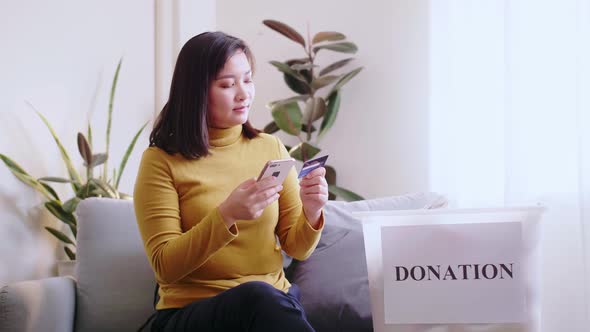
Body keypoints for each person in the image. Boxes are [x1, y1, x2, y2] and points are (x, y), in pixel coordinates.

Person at [133, 31, 328, 332]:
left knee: (268, 298)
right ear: (196, 92)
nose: (244, 93)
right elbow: (165, 267)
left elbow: (297, 247)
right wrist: (227, 215)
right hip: (192, 315)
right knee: (259, 296)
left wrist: (312, 211)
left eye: (247, 80)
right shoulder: (161, 161)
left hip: (270, 308)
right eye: (227, 84)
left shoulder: (269, 147)